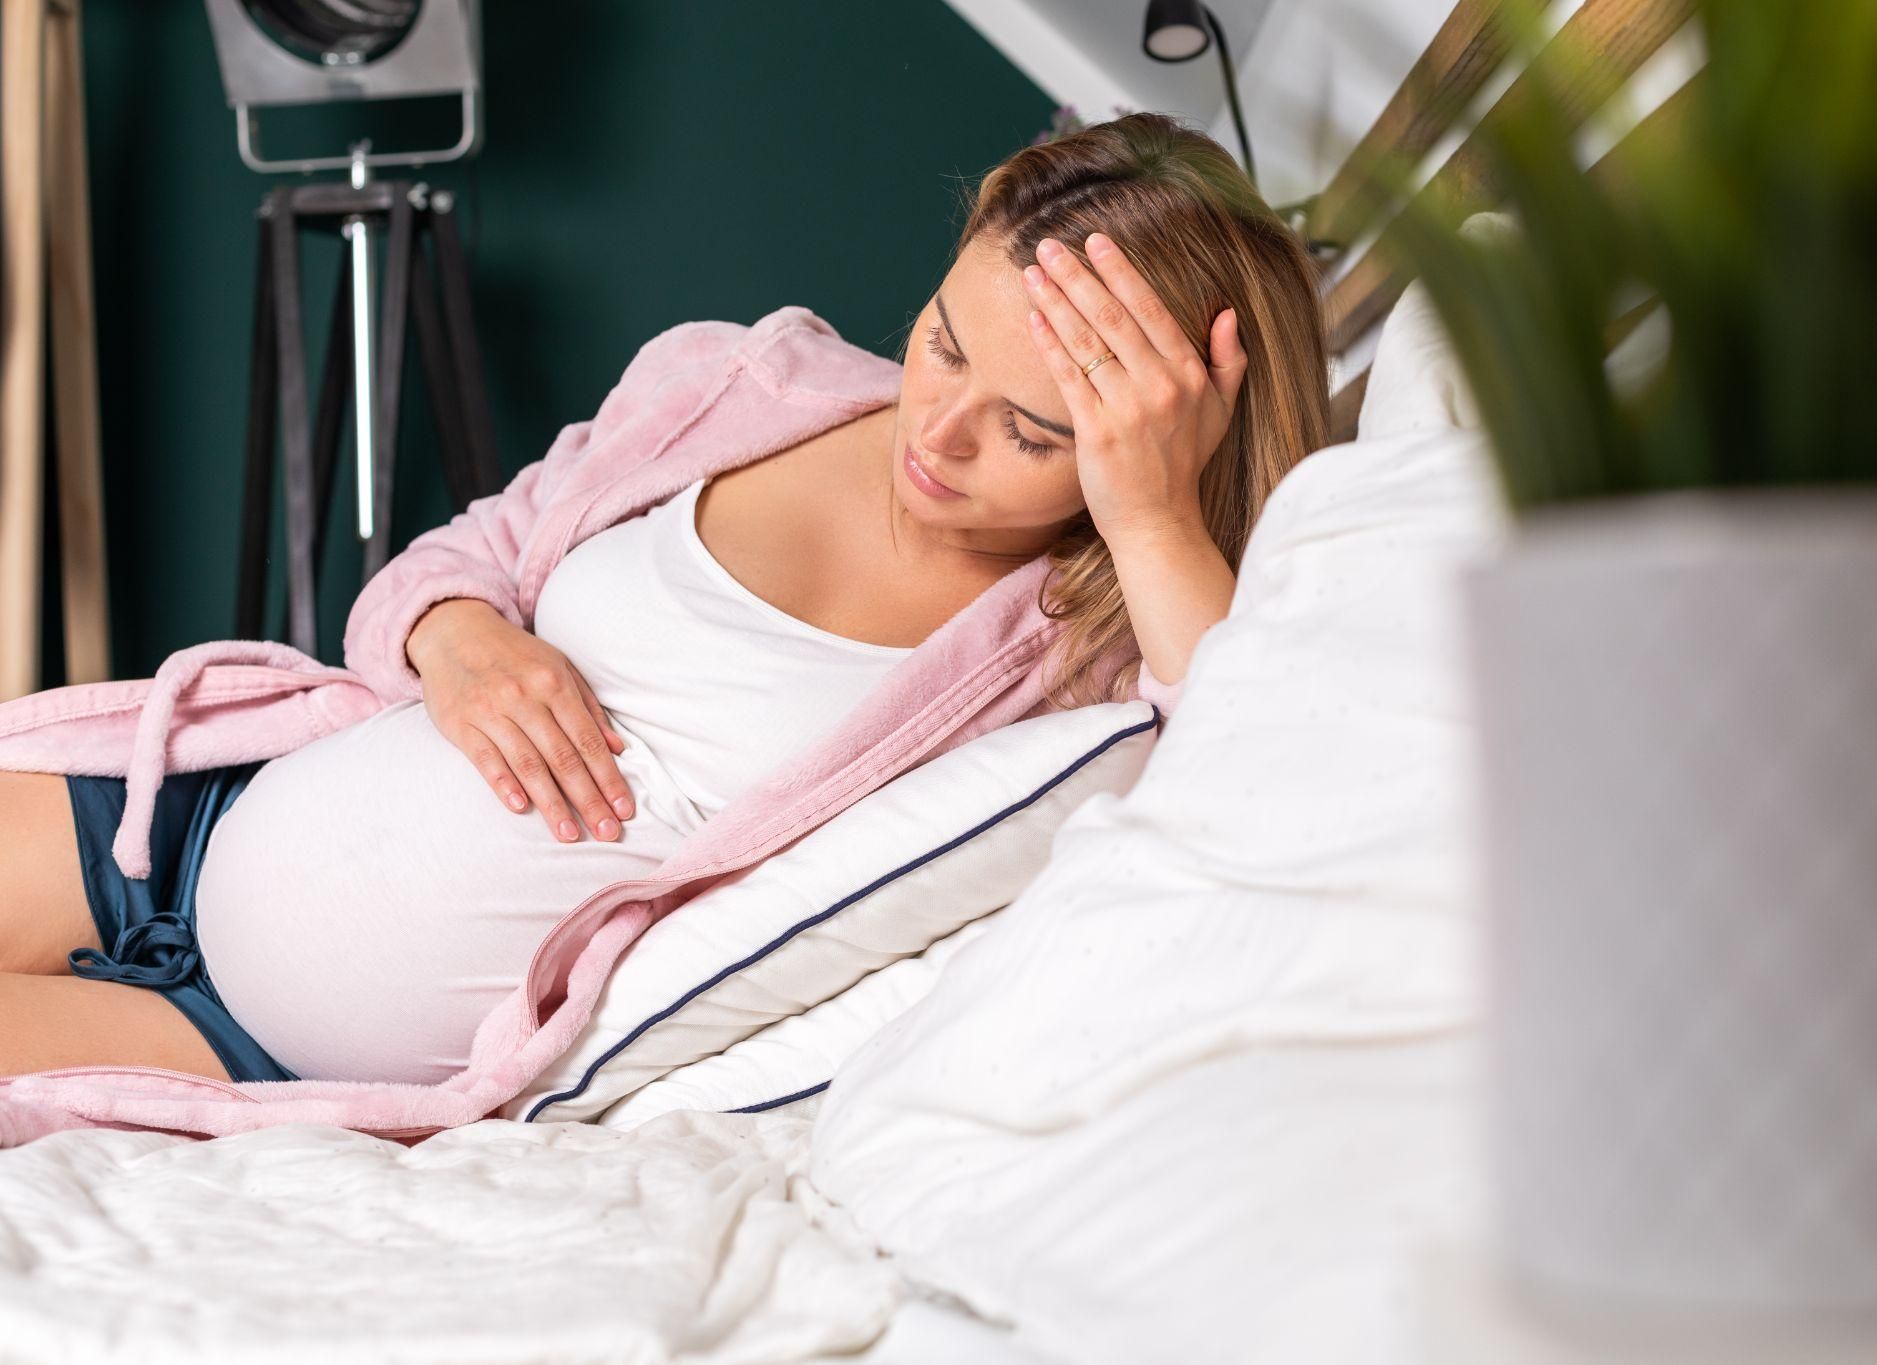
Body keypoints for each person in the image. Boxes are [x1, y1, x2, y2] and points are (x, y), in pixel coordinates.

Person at [0, 112, 1330, 1091]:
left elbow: (1249, 815)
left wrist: (1156, 511)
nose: (945, 428)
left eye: (1034, 432)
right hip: (180, 814)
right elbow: (469, 547)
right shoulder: (751, 380)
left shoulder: (1078, 654)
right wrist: (456, 641)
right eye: (945, 338)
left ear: (1151, 441)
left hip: (264, 1048)